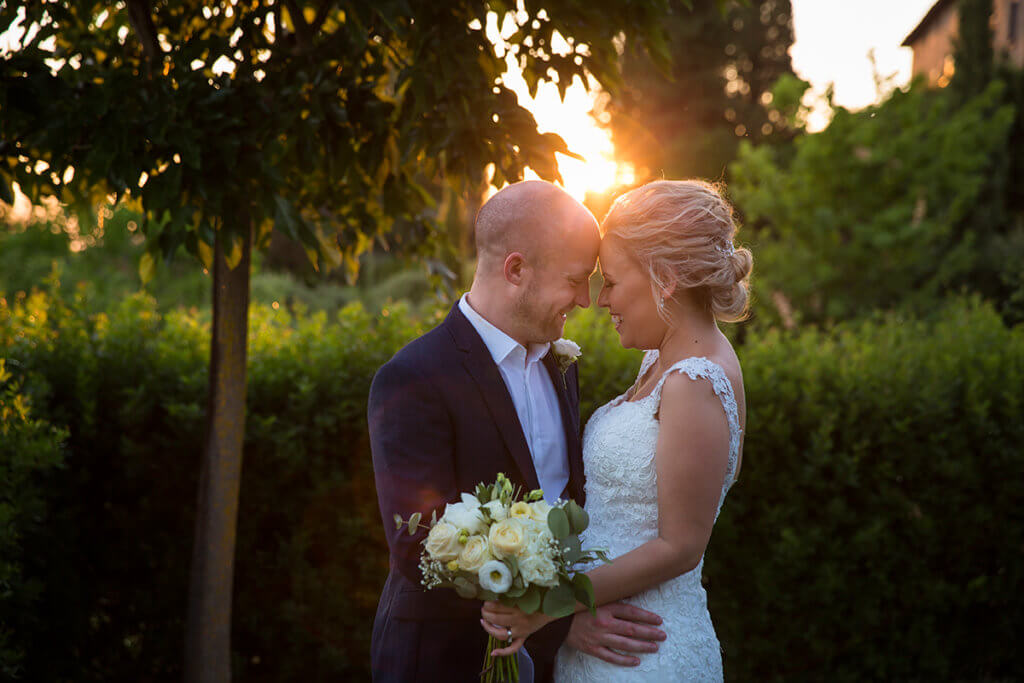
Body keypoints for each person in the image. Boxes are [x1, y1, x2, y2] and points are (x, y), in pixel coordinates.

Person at [369, 180, 667, 683]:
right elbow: (418, 543)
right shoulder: (414, 377)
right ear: (515, 269)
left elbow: (562, 497)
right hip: (444, 660)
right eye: (575, 280)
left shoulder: (562, 364)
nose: (585, 300)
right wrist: (559, 623)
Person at [480, 179, 752, 682]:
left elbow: (680, 546)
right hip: (604, 641)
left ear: (664, 279)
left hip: (645, 652)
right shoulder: (664, 359)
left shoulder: (696, 380)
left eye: (613, 280)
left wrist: (552, 604)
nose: (600, 300)